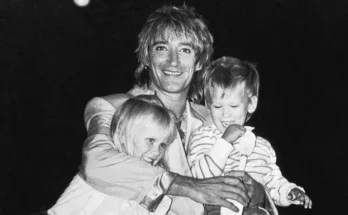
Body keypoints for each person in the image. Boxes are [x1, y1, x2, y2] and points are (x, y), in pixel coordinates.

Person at [79, 4, 269, 215]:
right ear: (146, 58)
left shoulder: (218, 118)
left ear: (199, 63)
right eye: (162, 48)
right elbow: (96, 163)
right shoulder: (111, 107)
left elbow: (260, 170)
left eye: (185, 50)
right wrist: (190, 187)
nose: (173, 61)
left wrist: (258, 192)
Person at [188, 56, 313, 215]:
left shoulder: (262, 146)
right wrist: (225, 142)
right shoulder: (203, 137)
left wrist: (289, 191)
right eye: (218, 106)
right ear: (208, 106)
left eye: (234, 106)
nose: (226, 114)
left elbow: (273, 181)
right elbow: (199, 176)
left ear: (251, 104)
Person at [48, 95, 178, 214]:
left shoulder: (153, 188)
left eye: (162, 145)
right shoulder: (105, 173)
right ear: (123, 134)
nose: (156, 152)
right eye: (150, 140)